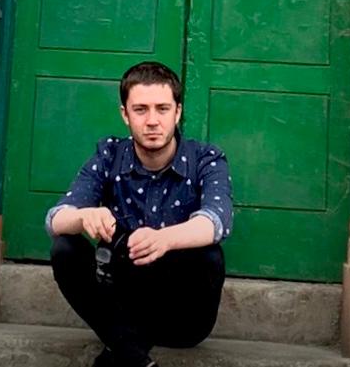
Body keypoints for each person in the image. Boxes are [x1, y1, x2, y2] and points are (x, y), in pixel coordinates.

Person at [46, 61, 232, 367]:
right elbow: (54, 219)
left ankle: (121, 347)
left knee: (210, 255)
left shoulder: (206, 159)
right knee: (65, 246)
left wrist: (165, 239)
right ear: (125, 115)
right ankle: (131, 352)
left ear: (178, 112)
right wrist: (84, 217)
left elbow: (217, 221)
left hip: (182, 314)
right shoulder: (109, 154)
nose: (152, 121)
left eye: (162, 108)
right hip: (122, 301)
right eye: (141, 110)